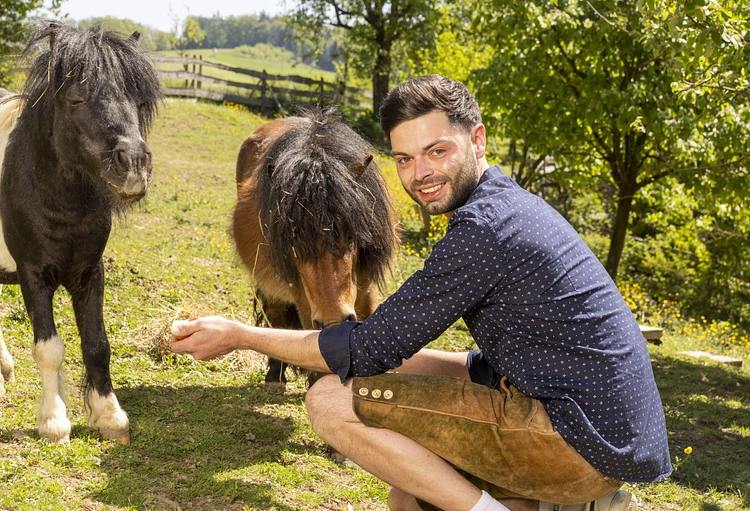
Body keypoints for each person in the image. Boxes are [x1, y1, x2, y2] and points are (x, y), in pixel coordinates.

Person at [170, 75, 671, 511]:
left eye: (437, 151)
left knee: (329, 401)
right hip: (598, 429)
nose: (421, 174)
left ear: (478, 139)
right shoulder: (510, 205)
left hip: (577, 442)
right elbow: (490, 352)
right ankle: (560, 505)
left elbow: (363, 349)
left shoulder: (484, 232)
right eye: (405, 159)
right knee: (408, 496)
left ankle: (534, 502)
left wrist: (239, 334)